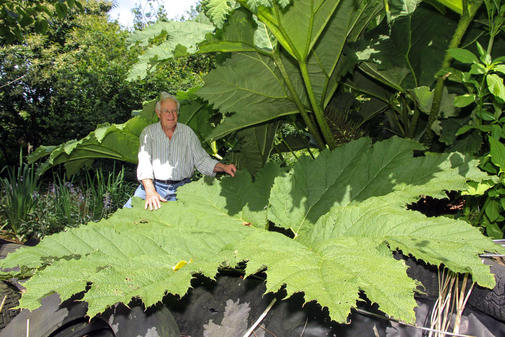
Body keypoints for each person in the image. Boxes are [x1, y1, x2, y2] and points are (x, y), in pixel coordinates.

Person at [124, 92, 236, 210]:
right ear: (158, 113)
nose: (171, 115)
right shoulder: (149, 133)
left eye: (174, 111)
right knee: (128, 214)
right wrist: (150, 191)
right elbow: (144, 162)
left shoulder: (187, 133)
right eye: (167, 111)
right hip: (154, 186)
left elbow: (202, 160)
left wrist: (224, 167)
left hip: (183, 187)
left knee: (195, 220)